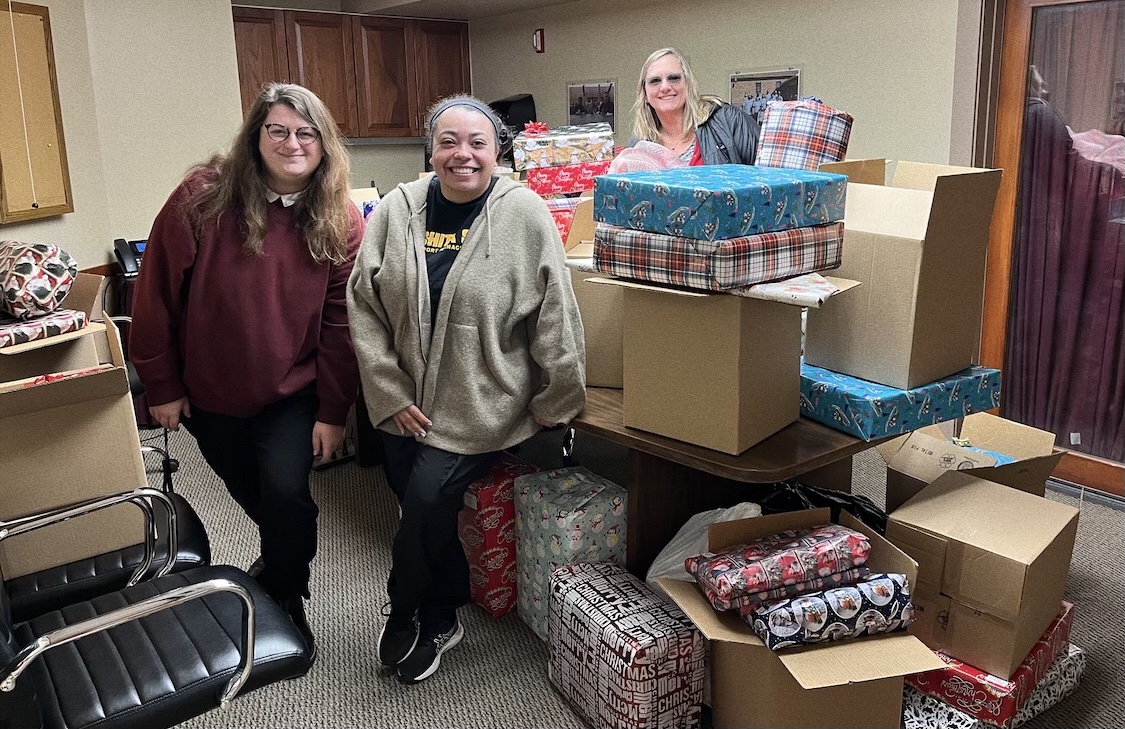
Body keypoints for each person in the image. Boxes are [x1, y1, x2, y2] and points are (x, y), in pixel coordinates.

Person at [347, 94, 586, 685]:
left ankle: (404, 608)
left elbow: (556, 313)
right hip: (403, 405)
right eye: (448, 141)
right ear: (430, 149)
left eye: (477, 142)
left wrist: (559, 399)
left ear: (497, 150)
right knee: (425, 511)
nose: (463, 154)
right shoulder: (397, 211)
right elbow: (363, 305)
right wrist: (387, 391)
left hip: (481, 403)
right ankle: (444, 610)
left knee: (424, 504)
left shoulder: (524, 213)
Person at [129, 82, 364, 664]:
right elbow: (154, 297)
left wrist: (333, 412)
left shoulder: (342, 219)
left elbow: (341, 327)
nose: (292, 142)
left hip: (293, 393)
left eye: (306, 132)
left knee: (288, 496)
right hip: (211, 393)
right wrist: (162, 386)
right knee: (255, 494)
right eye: (278, 130)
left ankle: (285, 596)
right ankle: (279, 561)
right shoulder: (202, 198)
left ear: (324, 143)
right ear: (256, 135)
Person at [630, 47, 760, 165]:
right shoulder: (638, 145)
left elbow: (770, 177)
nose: (665, 87)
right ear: (645, 94)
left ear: (688, 85)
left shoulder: (728, 121)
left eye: (674, 78)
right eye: (655, 81)